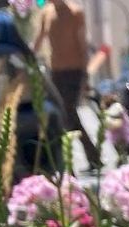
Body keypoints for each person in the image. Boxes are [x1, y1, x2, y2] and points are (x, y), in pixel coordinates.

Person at [33, 0, 102, 171]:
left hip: (74, 71)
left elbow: (82, 45)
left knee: (68, 113)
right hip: (55, 72)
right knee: (64, 115)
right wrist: (28, 57)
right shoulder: (46, 13)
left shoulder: (76, 12)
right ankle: (88, 158)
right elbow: (39, 39)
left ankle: (76, 161)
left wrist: (85, 76)